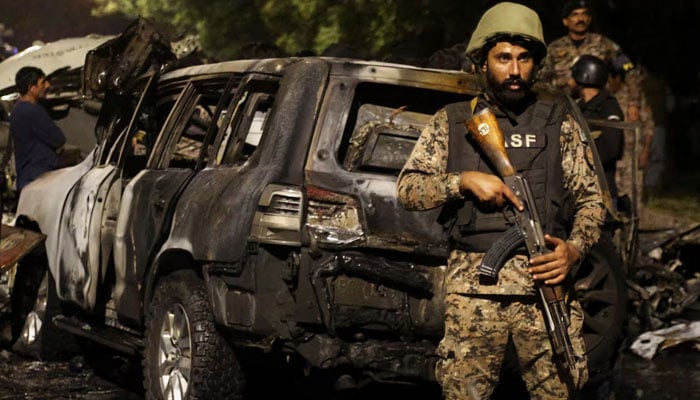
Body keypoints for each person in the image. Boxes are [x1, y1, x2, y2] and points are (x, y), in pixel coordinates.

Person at [397, 2, 605, 399]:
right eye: (504, 58)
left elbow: (592, 201)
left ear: (536, 64)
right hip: (473, 294)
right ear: (482, 62)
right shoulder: (453, 120)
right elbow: (408, 189)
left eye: (524, 59)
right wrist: (463, 181)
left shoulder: (556, 120)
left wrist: (574, 251)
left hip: (545, 292)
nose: (514, 71)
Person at [571, 55, 624, 207]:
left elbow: (612, 148)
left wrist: (579, 159)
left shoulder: (608, 107)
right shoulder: (579, 107)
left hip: (600, 191)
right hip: (579, 190)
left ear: (583, 78)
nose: (570, 83)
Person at [607, 53, 655, 215]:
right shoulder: (604, 98)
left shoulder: (634, 98)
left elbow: (648, 125)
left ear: (617, 78)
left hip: (632, 157)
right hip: (612, 158)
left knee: (634, 203)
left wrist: (645, 150)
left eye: (609, 80)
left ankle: (634, 233)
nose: (607, 85)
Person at [9, 66, 66, 193]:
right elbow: (58, 139)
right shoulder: (32, 110)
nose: (47, 85)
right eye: (42, 82)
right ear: (31, 88)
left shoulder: (17, 109)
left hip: (27, 178)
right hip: (40, 178)